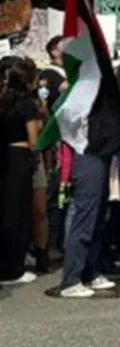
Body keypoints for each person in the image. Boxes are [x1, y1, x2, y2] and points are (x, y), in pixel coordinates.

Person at [0, 57, 44, 286]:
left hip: (5, 156)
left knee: (6, 211)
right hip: (20, 158)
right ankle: (12, 268)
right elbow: (34, 141)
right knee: (19, 213)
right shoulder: (27, 104)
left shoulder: (3, 101)